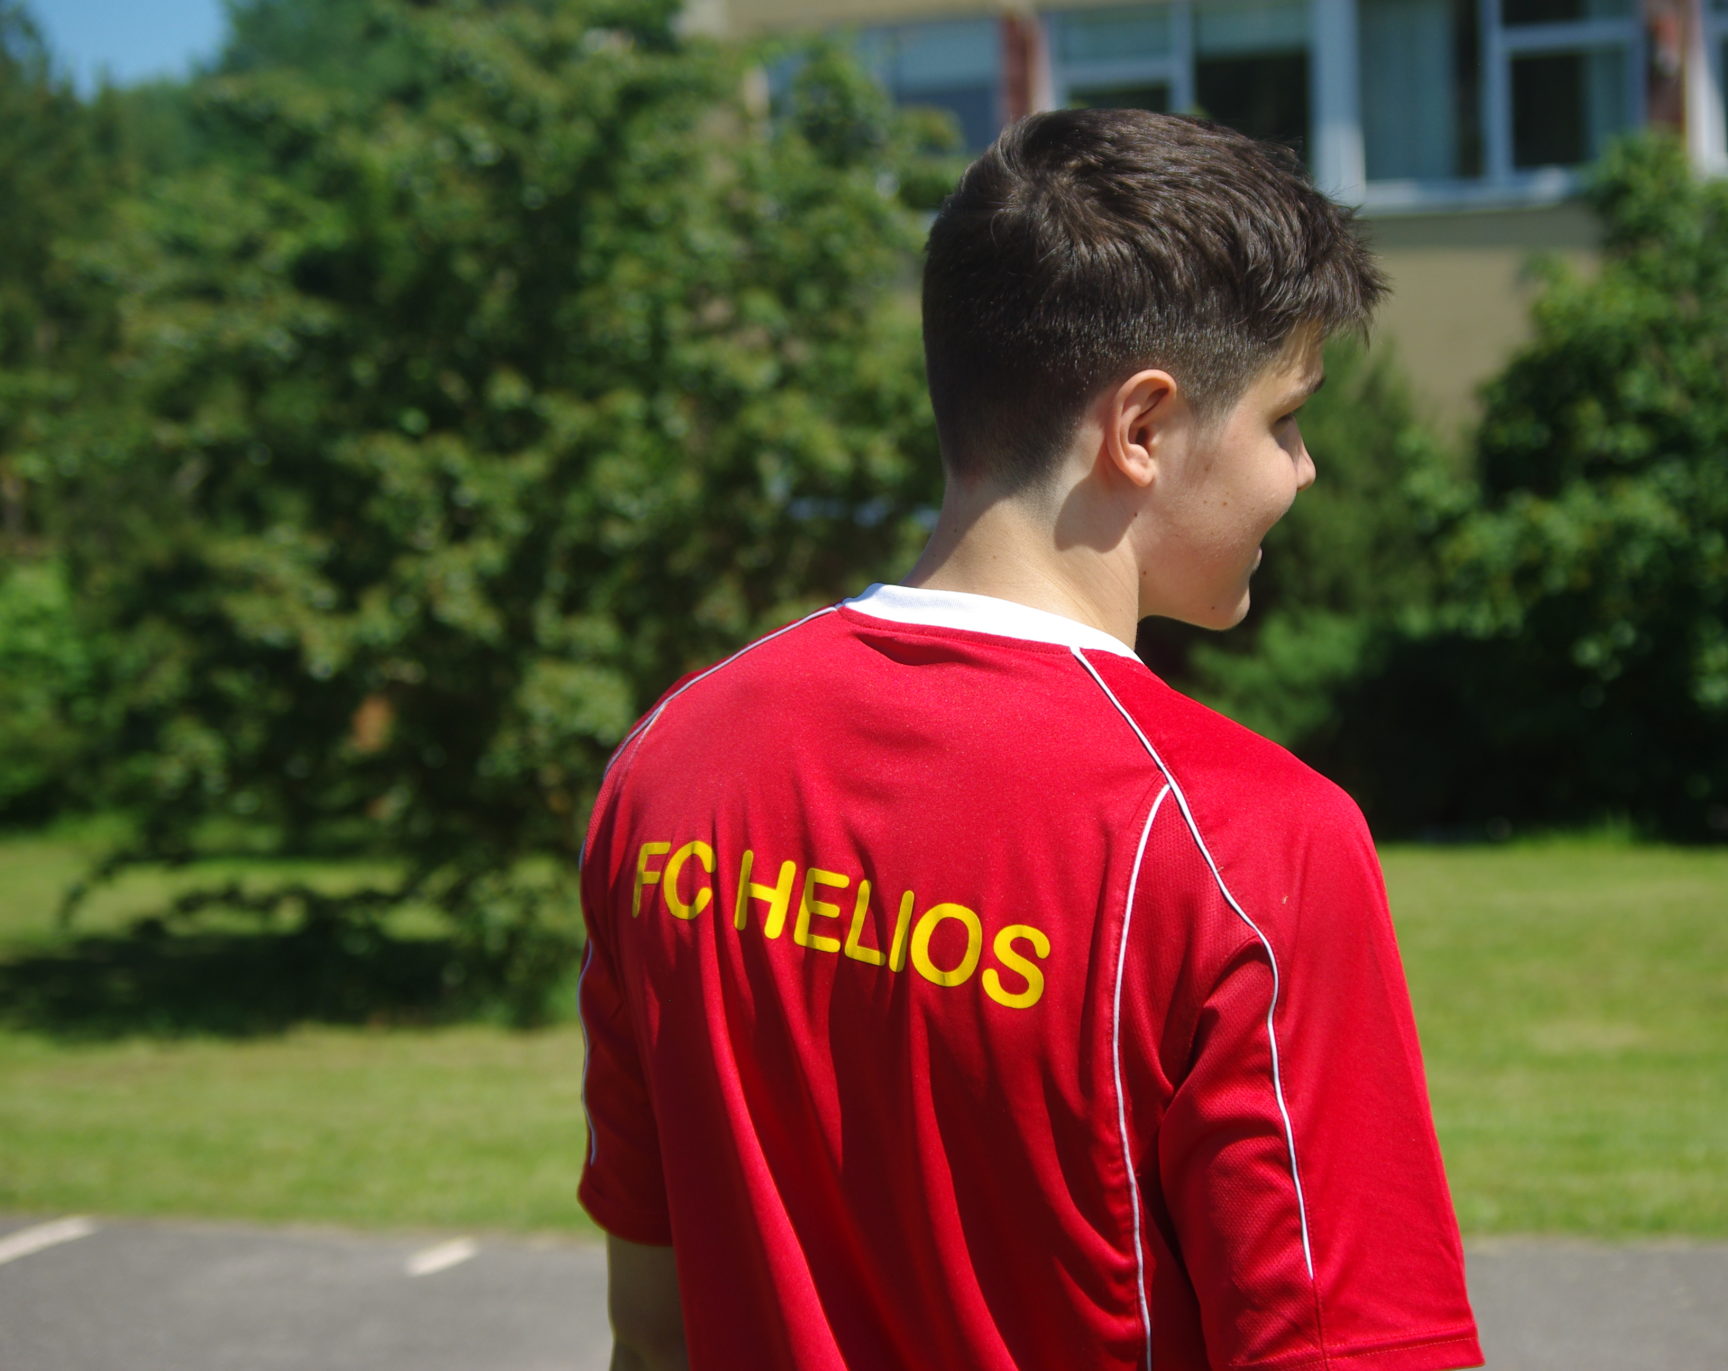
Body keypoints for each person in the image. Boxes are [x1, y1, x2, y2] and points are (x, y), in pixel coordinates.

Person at [577, 107, 1484, 1371]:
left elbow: (651, 1331)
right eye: (1284, 419)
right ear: (1141, 429)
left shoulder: (674, 760)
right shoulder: (1238, 844)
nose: (1302, 471)